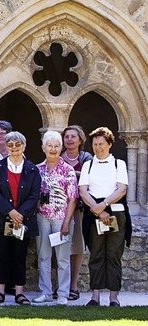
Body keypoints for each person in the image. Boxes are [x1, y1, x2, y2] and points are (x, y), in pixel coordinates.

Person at [0, 131, 41, 305]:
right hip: (0, 219)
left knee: (19, 255)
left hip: (22, 221)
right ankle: (0, 291)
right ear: (6, 147)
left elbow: (34, 195)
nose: (14, 148)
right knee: (0, 255)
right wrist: (10, 211)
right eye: (10, 145)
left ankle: (19, 293)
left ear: (24, 146)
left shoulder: (32, 169)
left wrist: (20, 214)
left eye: (18, 144)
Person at [79, 127, 131, 307]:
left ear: (109, 144)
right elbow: (83, 191)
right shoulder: (88, 165)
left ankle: (114, 297)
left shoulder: (119, 164)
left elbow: (121, 189)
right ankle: (95, 296)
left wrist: (104, 205)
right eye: (95, 144)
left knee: (114, 254)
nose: (98, 147)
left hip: (115, 211)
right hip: (94, 213)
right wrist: (98, 210)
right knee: (96, 253)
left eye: (101, 144)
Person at [33, 131, 78, 305]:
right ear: (43, 147)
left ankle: (63, 294)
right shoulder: (37, 169)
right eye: (50, 146)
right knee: (43, 256)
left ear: (61, 148)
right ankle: (45, 292)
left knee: (62, 258)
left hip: (61, 219)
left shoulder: (68, 170)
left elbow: (73, 198)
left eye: (56, 146)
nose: (53, 149)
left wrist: (66, 222)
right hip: (42, 218)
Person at [61, 125, 92, 301]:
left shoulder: (86, 158)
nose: (70, 140)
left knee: (77, 247)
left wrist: (72, 173)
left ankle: (73, 285)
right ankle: (62, 285)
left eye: (73, 137)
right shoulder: (58, 156)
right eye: (67, 137)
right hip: (60, 208)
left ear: (80, 139)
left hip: (79, 208)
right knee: (61, 247)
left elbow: (91, 178)